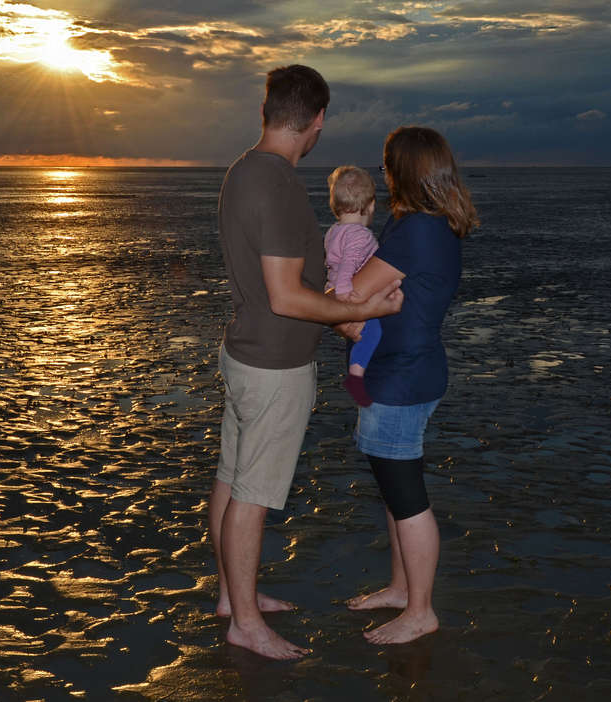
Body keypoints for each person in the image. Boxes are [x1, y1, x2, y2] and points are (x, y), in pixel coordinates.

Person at [210, 65, 404, 660]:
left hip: (244, 352)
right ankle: (245, 623)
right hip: (273, 366)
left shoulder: (242, 171)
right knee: (253, 492)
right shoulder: (277, 184)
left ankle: (231, 597)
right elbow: (285, 295)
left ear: (267, 111)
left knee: (231, 477)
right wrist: (357, 312)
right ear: (317, 121)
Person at [339, 126, 478, 644]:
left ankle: (421, 610)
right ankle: (402, 590)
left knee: (407, 495)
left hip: (402, 377)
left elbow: (351, 297)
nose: (383, 172)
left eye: (386, 163)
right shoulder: (422, 225)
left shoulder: (419, 229)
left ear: (404, 171)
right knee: (395, 492)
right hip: (403, 371)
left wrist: (342, 308)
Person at [323, 165, 381, 407]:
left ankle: (358, 372)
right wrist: (347, 299)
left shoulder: (334, 231)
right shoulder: (361, 235)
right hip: (351, 294)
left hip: (334, 288)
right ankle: (356, 377)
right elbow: (347, 266)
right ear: (370, 205)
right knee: (373, 332)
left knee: (360, 336)